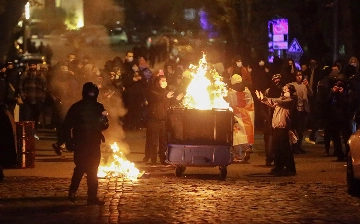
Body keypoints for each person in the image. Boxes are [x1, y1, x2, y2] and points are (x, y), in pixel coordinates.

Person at [63, 82, 109, 205]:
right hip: (81, 142)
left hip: (94, 142)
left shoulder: (99, 107)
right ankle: (73, 191)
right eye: (90, 92)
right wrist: (68, 141)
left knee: (93, 170)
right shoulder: (77, 107)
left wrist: (103, 118)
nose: (92, 94)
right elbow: (67, 125)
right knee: (81, 168)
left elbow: (104, 126)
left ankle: (92, 197)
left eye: (93, 92)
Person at [256, 84, 297, 175]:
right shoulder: (281, 99)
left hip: (283, 126)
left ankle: (290, 168)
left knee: (285, 148)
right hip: (276, 126)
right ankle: (278, 166)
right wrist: (262, 99)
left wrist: (266, 98)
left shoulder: (291, 100)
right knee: (276, 148)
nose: (284, 91)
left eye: (286, 90)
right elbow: (271, 103)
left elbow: (277, 101)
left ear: (290, 91)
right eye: (284, 89)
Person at [145, 75, 184, 166]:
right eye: (162, 80)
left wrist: (176, 99)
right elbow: (156, 98)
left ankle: (163, 159)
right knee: (154, 143)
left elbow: (170, 101)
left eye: (165, 80)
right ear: (157, 82)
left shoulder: (166, 93)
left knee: (163, 142)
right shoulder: (152, 91)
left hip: (164, 121)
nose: (164, 82)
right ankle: (153, 160)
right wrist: (165, 96)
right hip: (154, 120)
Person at [226, 74, 254, 162]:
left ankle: (238, 156)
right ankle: (247, 148)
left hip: (236, 115)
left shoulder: (231, 92)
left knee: (236, 136)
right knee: (244, 134)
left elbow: (229, 103)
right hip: (247, 115)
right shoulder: (247, 91)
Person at [18, 62, 47, 140]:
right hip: (27, 99)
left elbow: (44, 87)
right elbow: (20, 85)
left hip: (38, 100)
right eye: (31, 65)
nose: (32, 66)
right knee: (27, 118)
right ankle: (28, 134)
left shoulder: (41, 75)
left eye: (33, 65)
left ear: (36, 66)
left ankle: (34, 132)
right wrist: (23, 96)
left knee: (36, 117)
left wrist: (42, 98)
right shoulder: (25, 75)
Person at [262, 74, 283, 166]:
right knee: (269, 140)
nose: (276, 82)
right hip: (270, 118)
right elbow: (262, 105)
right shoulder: (268, 91)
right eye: (275, 80)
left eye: (278, 80)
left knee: (279, 140)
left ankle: (279, 160)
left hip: (280, 118)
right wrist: (265, 117)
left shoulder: (284, 91)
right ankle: (269, 158)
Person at [290, 70, 313, 154]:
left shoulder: (304, 85)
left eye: (300, 75)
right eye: (297, 75)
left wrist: (307, 86)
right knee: (296, 129)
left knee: (302, 130)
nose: (299, 77)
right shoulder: (292, 85)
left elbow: (311, 94)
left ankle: (299, 146)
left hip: (304, 109)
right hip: (296, 110)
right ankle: (295, 147)